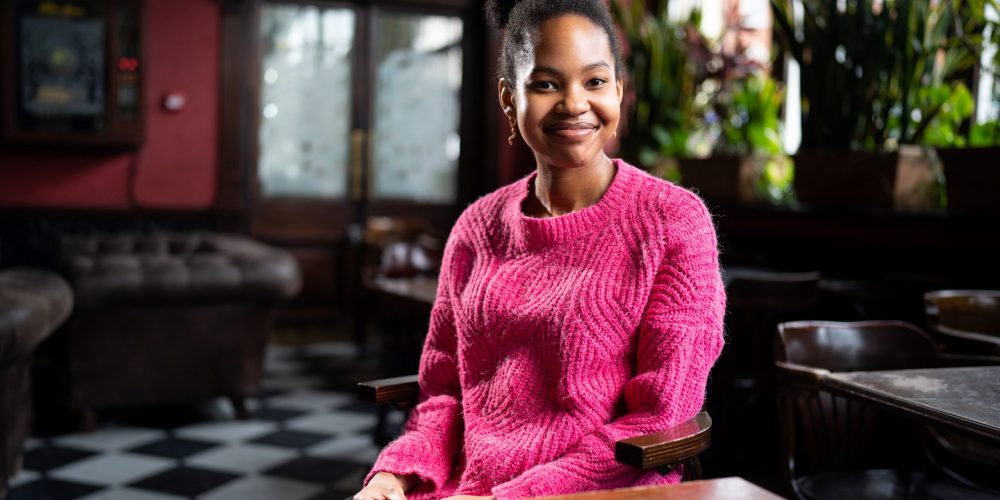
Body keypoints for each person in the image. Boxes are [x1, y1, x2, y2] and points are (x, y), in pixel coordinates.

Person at [354, 1, 725, 498]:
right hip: (467, 486)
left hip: (605, 489)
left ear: (618, 91)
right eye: (547, 84)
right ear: (510, 101)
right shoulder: (476, 228)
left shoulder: (674, 222)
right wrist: (393, 475)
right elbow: (442, 393)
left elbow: (660, 415)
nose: (574, 103)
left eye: (595, 82)